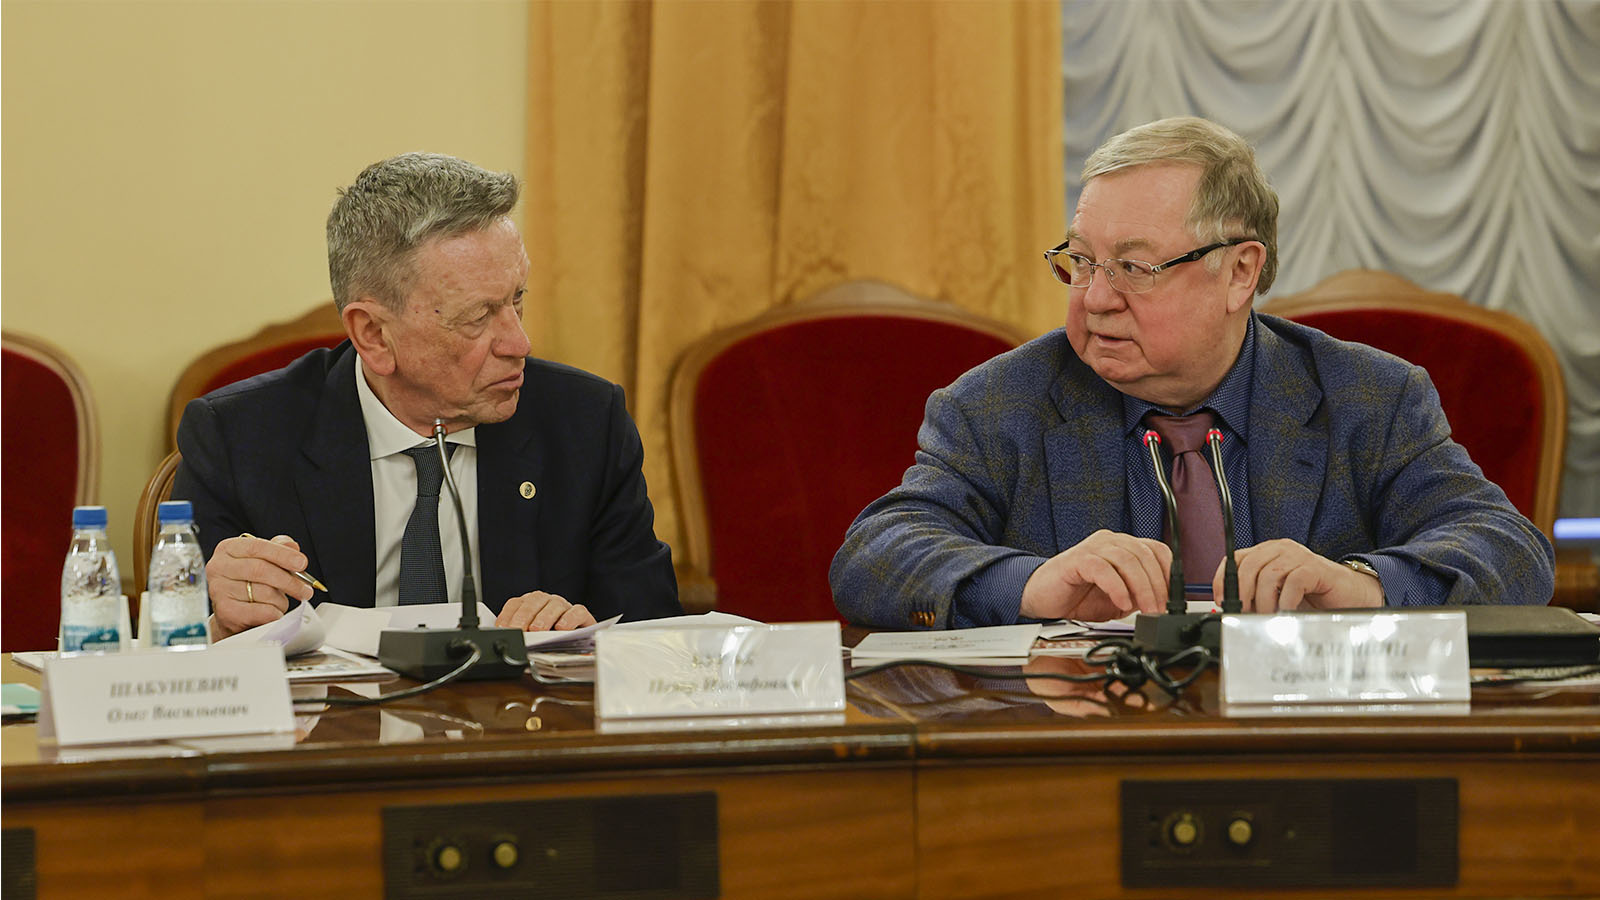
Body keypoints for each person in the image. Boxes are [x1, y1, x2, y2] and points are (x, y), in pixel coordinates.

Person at [830, 117, 1554, 629]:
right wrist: (1030, 583)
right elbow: (873, 559)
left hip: (1306, 749)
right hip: (1082, 750)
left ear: (1240, 273)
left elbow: (1511, 552)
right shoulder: (998, 404)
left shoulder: (1370, 397)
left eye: (1133, 267)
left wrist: (1363, 585)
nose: (1095, 298)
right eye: (1080, 261)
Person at [174, 152, 680, 639]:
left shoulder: (586, 423)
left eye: (516, 300)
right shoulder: (239, 438)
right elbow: (182, 644)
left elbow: (653, 632)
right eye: (478, 316)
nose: (518, 343)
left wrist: (584, 636)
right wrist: (220, 623)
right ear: (373, 334)